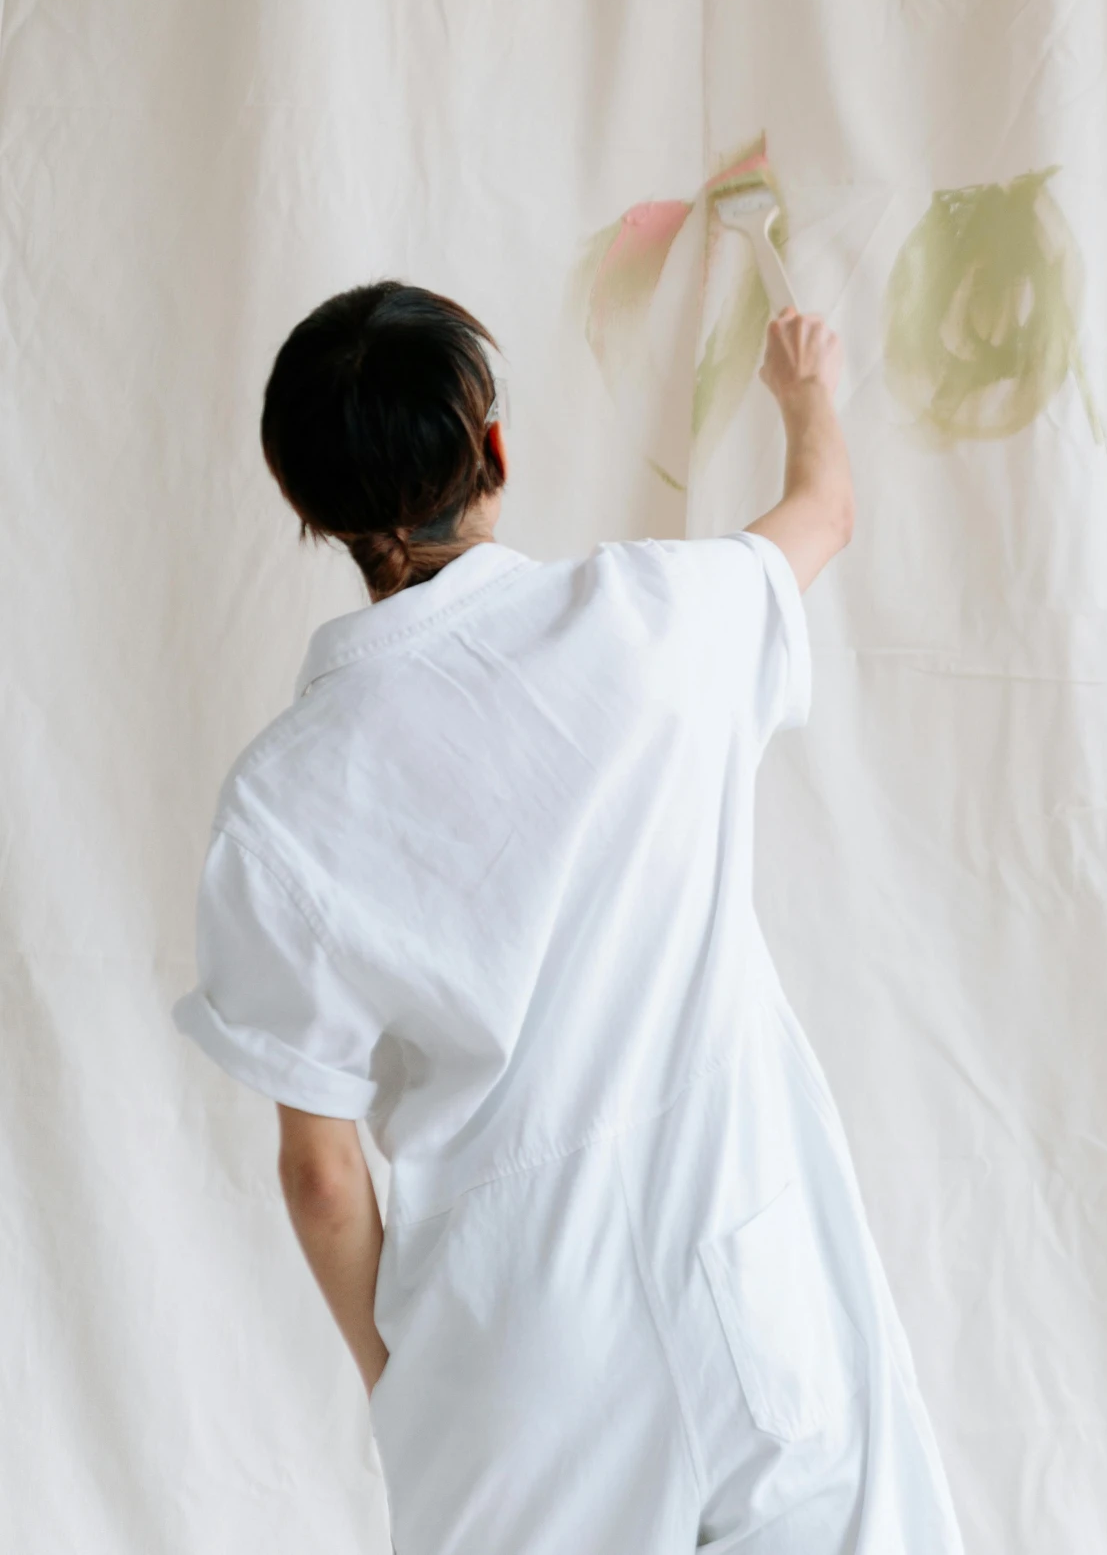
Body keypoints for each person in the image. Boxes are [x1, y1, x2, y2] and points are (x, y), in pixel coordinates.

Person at [174, 279, 965, 1555]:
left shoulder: (279, 805)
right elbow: (824, 508)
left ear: (306, 505)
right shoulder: (658, 621)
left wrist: (407, 1376)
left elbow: (321, 1173)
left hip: (510, 1347)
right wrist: (805, 387)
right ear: (493, 447)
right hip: (740, 1266)